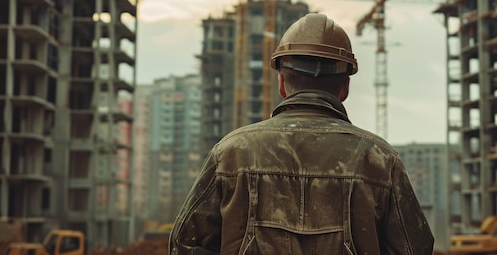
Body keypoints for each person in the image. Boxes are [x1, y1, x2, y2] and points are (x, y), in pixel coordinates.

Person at [169, 13, 434, 255]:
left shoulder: (232, 153)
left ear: (282, 83)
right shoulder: (379, 160)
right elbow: (416, 248)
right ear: (345, 87)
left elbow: (183, 245)